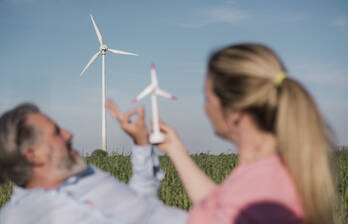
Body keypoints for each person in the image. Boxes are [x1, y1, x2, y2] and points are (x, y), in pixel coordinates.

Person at [109, 43, 338, 224]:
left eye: (207, 97)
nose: (205, 107)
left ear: (235, 112)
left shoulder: (263, 194)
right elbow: (218, 205)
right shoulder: (264, 174)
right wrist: (174, 149)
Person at [0, 103, 187, 223]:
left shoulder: (88, 174)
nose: (69, 134)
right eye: (56, 132)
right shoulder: (18, 217)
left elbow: (143, 206)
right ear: (33, 155)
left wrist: (141, 143)